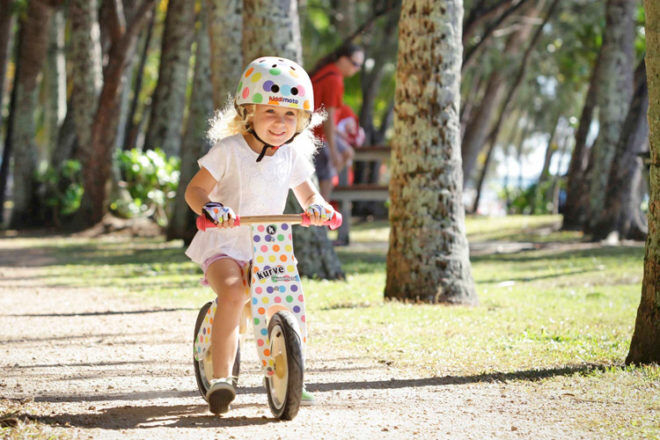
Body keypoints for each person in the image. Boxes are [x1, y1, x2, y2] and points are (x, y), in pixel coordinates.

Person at [184, 56, 336, 415]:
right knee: (235, 293)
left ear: (301, 121)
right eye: (271, 112)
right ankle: (221, 379)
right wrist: (210, 209)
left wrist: (319, 207)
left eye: (290, 115)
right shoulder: (229, 151)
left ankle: (289, 375)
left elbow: (309, 195)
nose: (280, 123)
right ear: (249, 112)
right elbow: (195, 191)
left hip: (268, 246)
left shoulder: (291, 156)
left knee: (283, 301)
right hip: (224, 243)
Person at [310, 44, 365, 200]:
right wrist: (334, 153)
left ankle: (320, 209)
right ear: (343, 59)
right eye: (355, 64)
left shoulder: (331, 74)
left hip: (319, 131)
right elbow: (327, 119)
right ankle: (319, 215)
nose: (357, 69)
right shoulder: (333, 79)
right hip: (314, 135)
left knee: (347, 153)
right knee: (327, 175)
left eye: (359, 66)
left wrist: (338, 136)